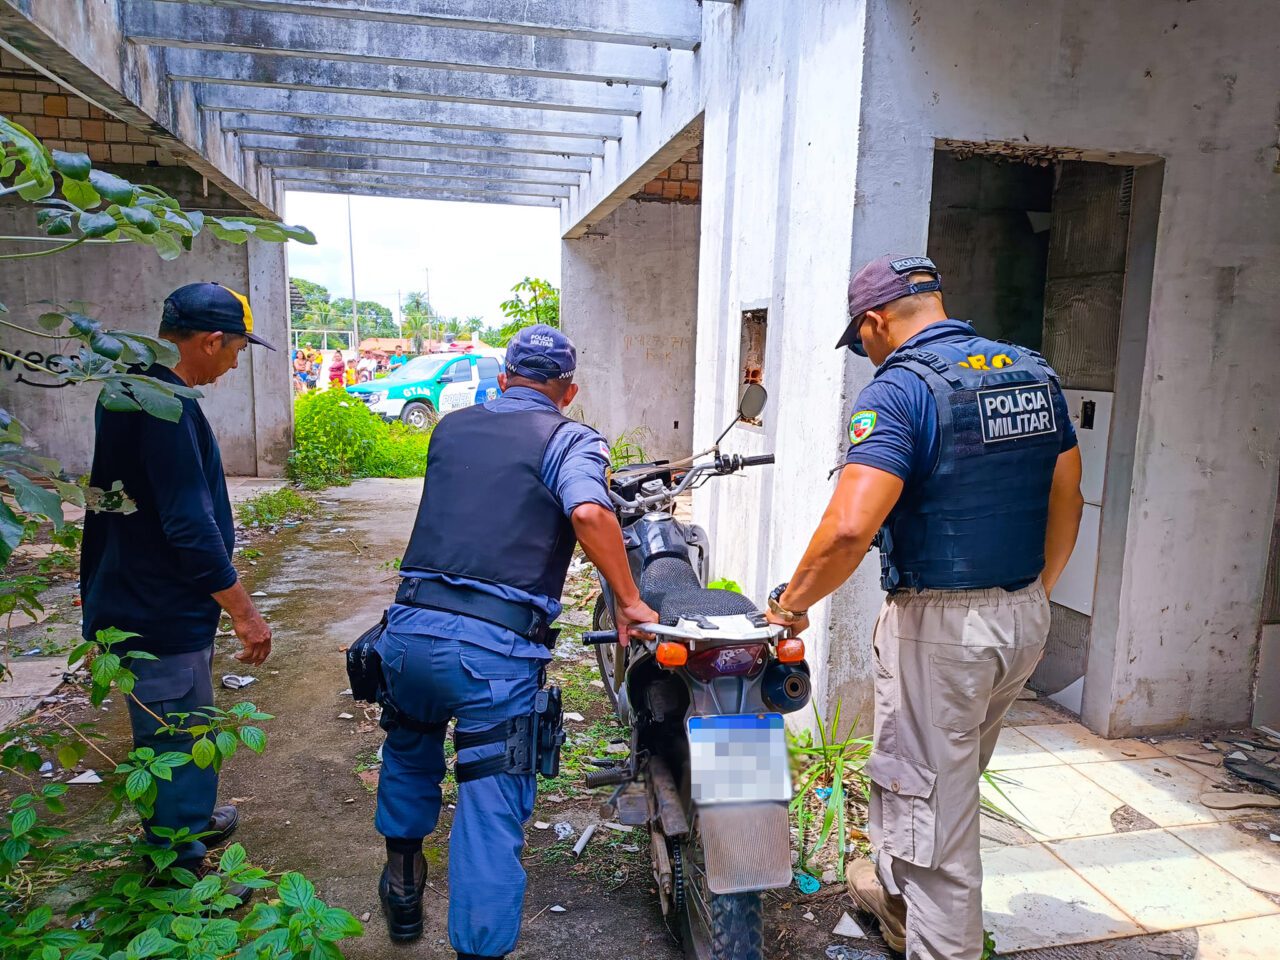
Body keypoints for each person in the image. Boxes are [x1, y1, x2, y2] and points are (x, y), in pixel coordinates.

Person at [763, 255, 1084, 960]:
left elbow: (849, 528)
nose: (865, 355)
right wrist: (1037, 594)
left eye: (862, 340)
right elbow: (1068, 498)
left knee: (933, 828)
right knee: (946, 786)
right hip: (1022, 615)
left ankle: (936, 935)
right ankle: (895, 899)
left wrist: (790, 605)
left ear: (876, 321)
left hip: (941, 628)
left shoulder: (902, 391)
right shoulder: (1031, 371)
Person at [374, 324, 658, 959]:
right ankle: (478, 948)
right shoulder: (570, 437)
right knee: (487, 805)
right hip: (490, 657)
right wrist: (631, 601)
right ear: (569, 390)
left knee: (411, 745)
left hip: (409, 633)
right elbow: (588, 512)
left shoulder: (450, 427)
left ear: (503, 380)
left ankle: (402, 884)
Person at [80, 282, 274, 895]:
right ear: (211, 340)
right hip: (156, 607)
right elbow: (189, 524)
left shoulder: (126, 390)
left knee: (179, 720)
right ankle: (178, 871)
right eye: (238, 348)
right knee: (176, 730)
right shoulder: (168, 408)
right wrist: (245, 613)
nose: (237, 360)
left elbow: (105, 499)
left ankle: (186, 821)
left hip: (132, 591)